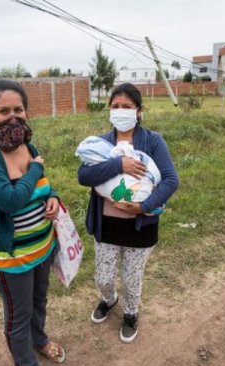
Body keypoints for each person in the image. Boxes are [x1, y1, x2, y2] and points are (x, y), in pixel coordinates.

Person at [0, 79, 64, 366]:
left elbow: (44, 188)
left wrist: (52, 198)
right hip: (12, 259)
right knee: (18, 315)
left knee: (39, 301)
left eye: (18, 109)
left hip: (42, 248)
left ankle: (39, 339)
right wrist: (35, 170)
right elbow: (10, 199)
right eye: (3, 110)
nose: (13, 117)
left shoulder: (27, 145)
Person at [78, 83, 179, 343]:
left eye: (127, 107)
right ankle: (109, 300)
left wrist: (142, 207)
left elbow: (170, 180)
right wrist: (118, 164)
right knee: (104, 278)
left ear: (139, 111)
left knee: (132, 279)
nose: (120, 111)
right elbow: (84, 175)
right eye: (115, 106)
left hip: (140, 226)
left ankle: (131, 314)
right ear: (109, 110)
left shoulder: (153, 141)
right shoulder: (100, 143)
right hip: (107, 225)